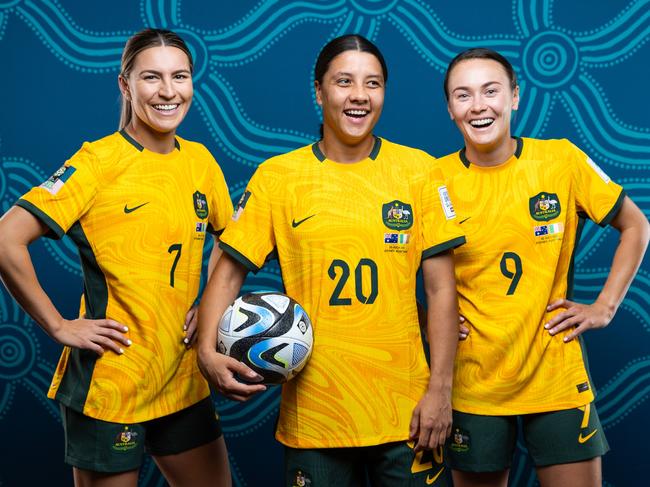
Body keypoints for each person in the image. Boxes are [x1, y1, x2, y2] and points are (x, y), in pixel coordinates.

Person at [197, 34, 465, 486]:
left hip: (407, 411)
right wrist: (206, 350)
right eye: (344, 82)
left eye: (373, 83)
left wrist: (440, 390)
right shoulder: (279, 178)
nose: (359, 95)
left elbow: (441, 289)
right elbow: (225, 276)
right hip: (316, 415)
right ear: (319, 92)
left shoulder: (420, 171)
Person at [0, 28, 233, 486]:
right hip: (113, 383)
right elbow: (6, 238)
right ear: (125, 85)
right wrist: (59, 325)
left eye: (179, 76)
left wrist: (211, 301)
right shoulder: (96, 163)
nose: (168, 91)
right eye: (152, 77)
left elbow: (228, 240)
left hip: (183, 378)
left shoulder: (201, 161)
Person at [437, 47, 650, 487]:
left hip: (554, 375)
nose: (479, 105)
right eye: (463, 95)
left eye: (491, 90)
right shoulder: (431, 181)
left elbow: (636, 225)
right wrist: (427, 319)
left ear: (514, 97)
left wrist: (604, 307)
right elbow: (398, 268)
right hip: (473, 381)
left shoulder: (560, 160)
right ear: (450, 108)